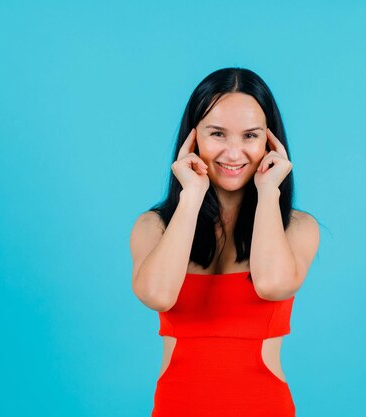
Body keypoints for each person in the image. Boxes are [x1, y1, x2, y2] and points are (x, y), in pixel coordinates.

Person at [130, 67, 320, 417]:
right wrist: (191, 197)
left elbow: (273, 284)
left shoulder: (297, 228)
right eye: (217, 134)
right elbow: (156, 294)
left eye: (250, 136)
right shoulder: (153, 227)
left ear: (270, 141)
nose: (234, 154)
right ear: (193, 138)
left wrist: (268, 194)